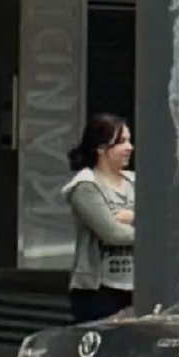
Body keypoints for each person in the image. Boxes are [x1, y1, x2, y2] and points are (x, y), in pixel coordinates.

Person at [61, 113, 137, 323]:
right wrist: (156, 231)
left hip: (137, 288)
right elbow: (112, 233)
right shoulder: (86, 185)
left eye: (129, 140)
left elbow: (170, 215)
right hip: (99, 291)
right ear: (101, 148)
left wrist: (132, 216)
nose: (130, 147)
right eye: (122, 142)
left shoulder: (135, 181)